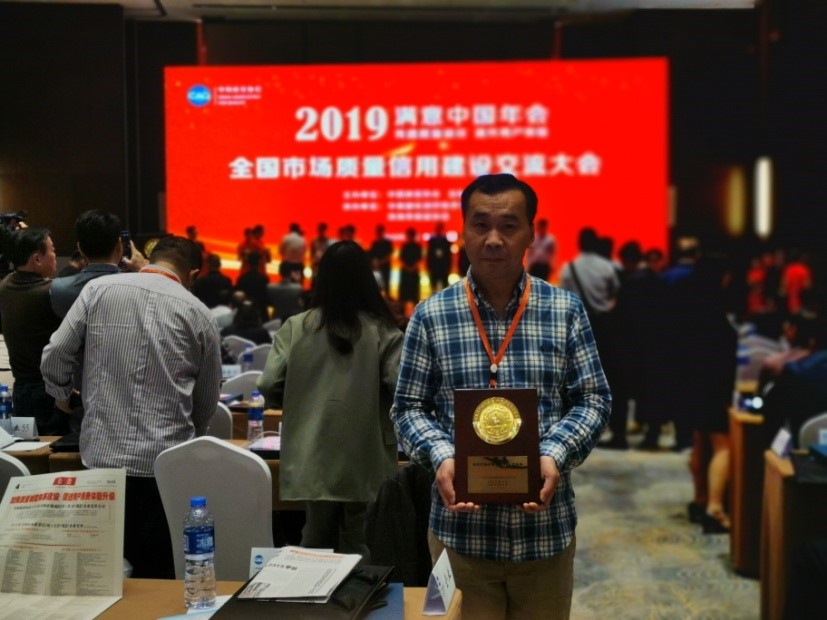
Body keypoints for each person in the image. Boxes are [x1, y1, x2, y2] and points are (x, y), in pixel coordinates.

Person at [392, 174, 611, 619]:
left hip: (543, 533)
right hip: (460, 535)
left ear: (531, 233)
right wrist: (442, 456)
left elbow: (593, 399)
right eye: (480, 225)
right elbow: (408, 408)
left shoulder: (564, 310)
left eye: (509, 226)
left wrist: (552, 454)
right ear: (463, 231)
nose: (494, 239)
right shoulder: (431, 315)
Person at [41, 236, 222, 579]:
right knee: (158, 578)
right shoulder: (199, 312)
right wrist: (191, 440)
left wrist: (63, 397)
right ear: (193, 274)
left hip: (101, 460)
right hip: (164, 466)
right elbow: (206, 400)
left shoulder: (98, 290)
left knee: (100, 574)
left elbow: (55, 353)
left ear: (151, 259)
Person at [257, 240, 403, 557]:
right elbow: (399, 388)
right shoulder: (384, 330)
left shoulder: (296, 326)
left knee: (315, 538)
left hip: (311, 448)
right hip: (367, 451)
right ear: (367, 279)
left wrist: (297, 399)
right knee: (361, 541)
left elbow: (268, 383)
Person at [0, 227, 69, 435]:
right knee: (53, 449)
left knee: (26, 448)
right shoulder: (51, 292)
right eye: (52, 250)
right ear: (37, 259)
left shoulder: (5, 285)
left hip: (20, 391)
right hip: (49, 393)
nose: (55, 255)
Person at [51, 210, 147, 318]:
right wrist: (143, 269)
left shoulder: (58, 288)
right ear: (119, 247)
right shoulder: (142, 288)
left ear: (80, 248)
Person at [399, 228, 422, 308]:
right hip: (405, 271)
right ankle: (402, 309)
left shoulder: (417, 246)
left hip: (414, 271)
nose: (410, 237)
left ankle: (416, 309)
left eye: (411, 235)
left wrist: (413, 267)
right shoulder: (404, 246)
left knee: (414, 291)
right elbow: (401, 258)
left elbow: (419, 258)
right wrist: (407, 267)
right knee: (404, 291)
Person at [426, 221, 452, 293]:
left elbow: (448, 255)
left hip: (443, 266)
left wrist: (449, 266)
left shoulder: (446, 241)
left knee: (444, 285)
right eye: (438, 228)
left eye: (440, 228)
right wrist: (428, 266)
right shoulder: (432, 240)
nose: (439, 230)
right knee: (433, 285)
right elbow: (429, 254)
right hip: (434, 266)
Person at [369, 224, 393, 296]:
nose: (379, 233)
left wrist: (382, 261)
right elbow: (372, 255)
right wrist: (375, 263)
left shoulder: (388, 242)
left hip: (386, 266)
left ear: (383, 232)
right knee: (376, 284)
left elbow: (389, 254)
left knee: (386, 283)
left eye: (380, 231)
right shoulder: (374, 243)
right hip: (376, 267)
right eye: (377, 231)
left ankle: (387, 298)